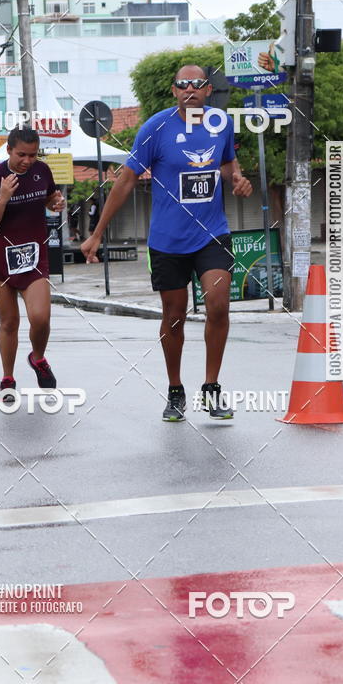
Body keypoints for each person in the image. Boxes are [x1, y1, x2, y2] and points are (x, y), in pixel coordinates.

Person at [81, 64, 253, 423]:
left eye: (198, 84)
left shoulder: (220, 123)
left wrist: (237, 179)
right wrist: (97, 233)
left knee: (218, 305)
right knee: (174, 315)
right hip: (168, 239)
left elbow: (227, 165)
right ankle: (175, 390)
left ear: (209, 90)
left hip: (211, 232)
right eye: (182, 85)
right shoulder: (155, 128)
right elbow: (126, 181)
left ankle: (211, 387)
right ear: (174, 91)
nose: (190, 89)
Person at [0, 126, 65, 397]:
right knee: (10, 321)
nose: (27, 160)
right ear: (9, 150)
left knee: (40, 318)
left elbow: (50, 196)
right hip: (0, 257)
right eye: (21, 155)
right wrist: (4, 197)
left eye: (32, 155)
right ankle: (8, 377)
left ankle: (38, 358)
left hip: (33, 256)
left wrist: (56, 202)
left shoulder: (43, 171)